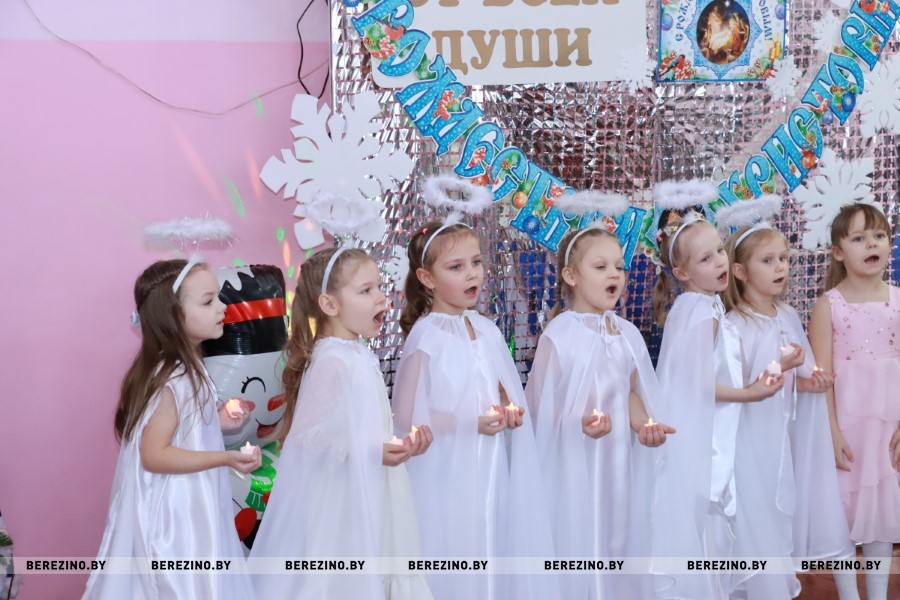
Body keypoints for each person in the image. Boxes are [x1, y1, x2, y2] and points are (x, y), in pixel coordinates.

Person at [84, 258, 261, 600]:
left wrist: (219, 420)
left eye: (218, 297)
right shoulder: (174, 378)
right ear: (173, 316)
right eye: (208, 301)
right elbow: (154, 455)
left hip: (194, 501)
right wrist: (225, 458)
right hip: (176, 514)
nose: (222, 307)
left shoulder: (189, 368)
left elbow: (186, 427)